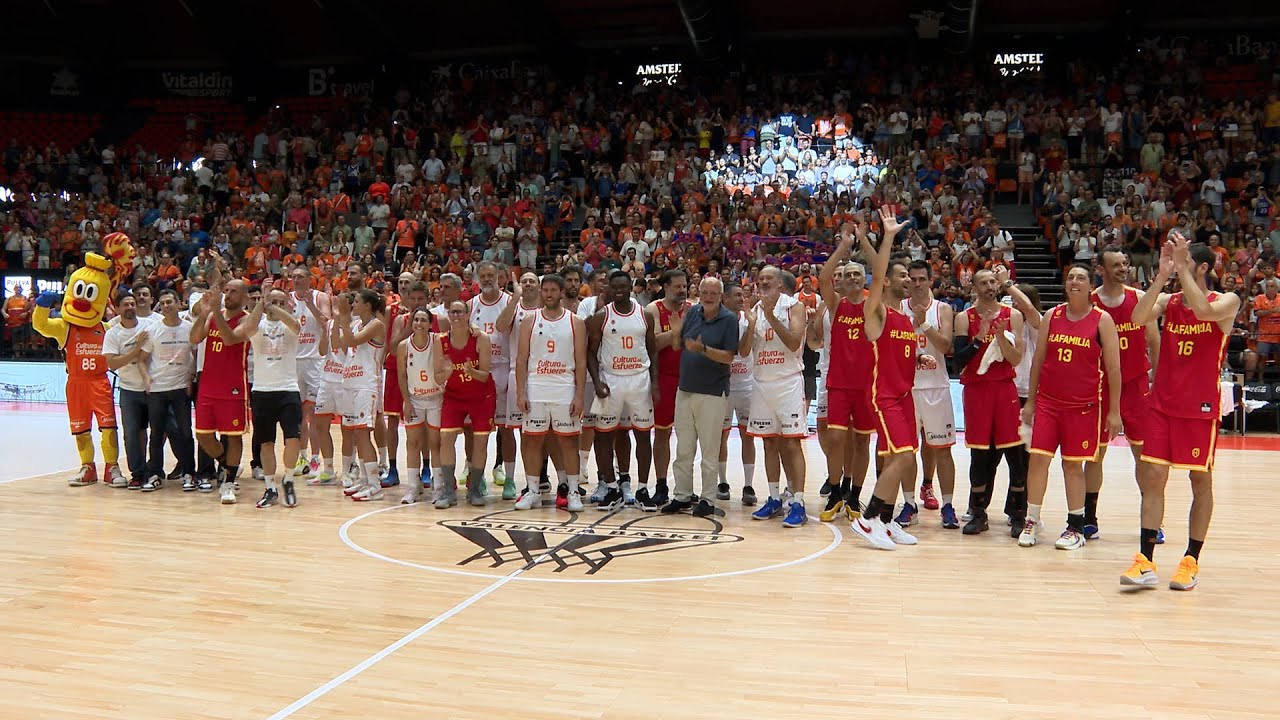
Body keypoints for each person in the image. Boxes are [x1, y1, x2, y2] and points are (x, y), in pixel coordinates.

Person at [1122, 234, 1239, 591]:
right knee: (1153, 477)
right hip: (1162, 404)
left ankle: (1190, 560)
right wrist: (1160, 276)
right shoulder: (1169, 300)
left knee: (1199, 480)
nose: (1178, 269)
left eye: (1185, 263)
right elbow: (1137, 317)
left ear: (1202, 267)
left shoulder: (1227, 301)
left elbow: (1203, 310)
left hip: (1199, 407)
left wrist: (1184, 268)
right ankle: (1145, 561)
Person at [1018, 264, 1123, 549]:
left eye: (1081, 278)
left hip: (1084, 406)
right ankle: (1032, 519)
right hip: (1049, 403)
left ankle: (1075, 526)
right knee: (1038, 460)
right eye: (1070, 278)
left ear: (1091, 287)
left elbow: (1113, 369)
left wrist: (1114, 411)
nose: (1074, 282)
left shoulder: (1102, 320)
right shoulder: (1053, 316)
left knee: (1072, 466)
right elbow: (1038, 360)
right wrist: (1030, 402)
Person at [849, 208, 924, 549]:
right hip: (885, 396)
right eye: (902, 275)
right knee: (904, 457)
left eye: (910, 275)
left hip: (905, 396)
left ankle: (887, 521)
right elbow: (875, 279)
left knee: (903, 459)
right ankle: (868, 519)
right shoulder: (876, 311)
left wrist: (915, 357)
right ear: (890, 281)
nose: (908, 279)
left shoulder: (905, 318)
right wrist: (887, 236)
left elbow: (899, 355)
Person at [1085, 246, 1161, 540]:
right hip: (1100, 387)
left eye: (1125, 263)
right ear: (1100, 269)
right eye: (1115, 264)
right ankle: (1089, 517)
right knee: (1094, 456)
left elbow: (1154, 341)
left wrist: (1159, 381)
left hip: (1136, 385)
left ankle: (1152, 520)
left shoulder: (1139, 299)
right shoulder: (1090, 303)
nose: (1122, 268)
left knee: (1143, 455)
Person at [952, 268, 1025, 534]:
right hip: (977, 391)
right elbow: (959, 360)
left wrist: (999, 339)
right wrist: (980, 337)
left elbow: (1016, 359)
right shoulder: (964, 317)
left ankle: (1018, 514)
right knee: (979, 455)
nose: (990, 286)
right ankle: (978, 512)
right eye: (984, 282)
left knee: (1015, 455)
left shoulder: (1013, 316)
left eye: (993, 281)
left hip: (1004, 390)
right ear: (974, 287)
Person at [661, 277, 740, 517]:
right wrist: (675, 332)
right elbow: (677, 346)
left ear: (721, 296)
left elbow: (729, 357)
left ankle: (708, 499)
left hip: (712, 393)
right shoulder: (693, 312)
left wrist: (703, 350)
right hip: (685, 389)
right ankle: (682, 496)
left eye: (712, 293)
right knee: (683, 449)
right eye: (704, 292)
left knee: (709, 451)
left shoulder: (728, 320)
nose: (707, 297)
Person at [741, 265, 810, 527]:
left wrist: (770, 317)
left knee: (791, 444)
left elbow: (793, 343)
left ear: (781, 284)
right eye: (761, 279)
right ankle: (773, 498)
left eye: (770, 279)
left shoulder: (794, 306)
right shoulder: (754, 310)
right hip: (761, 383)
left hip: (788, 382)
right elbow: (745, 351)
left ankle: (798, 501)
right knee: (768, 443)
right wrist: (749, 325)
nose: (764, 282)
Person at [513, 274, 587, 510]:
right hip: (536, 387)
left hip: (564, 387)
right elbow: (521, 359)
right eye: (546, 290)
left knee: (568, 443)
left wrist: (579, 396)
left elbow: (581, 361)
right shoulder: (529, 320)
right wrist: (520, 393)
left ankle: (573, 490)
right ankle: (533, 490)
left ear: (561, 292)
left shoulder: (575, 322)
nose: (549, 294)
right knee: (533, 442)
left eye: (554, 290)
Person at [587, 270, 657, 510]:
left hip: (639, 380)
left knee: (643, 435)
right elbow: (590, 352)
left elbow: (652, 350)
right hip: (612, 380)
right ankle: (612, 486)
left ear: (630, 288)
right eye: (614, 286)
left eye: (623, 287)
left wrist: (654, 382)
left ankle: (643, 489)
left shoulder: (645, 315)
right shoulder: (601, 316)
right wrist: (597, 381)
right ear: (607, 289)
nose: (618, 290)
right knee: (603, 434)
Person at [815, 237, 874, 523]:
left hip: (866, 385)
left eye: (857, 274)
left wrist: (865, 241)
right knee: (836, 438)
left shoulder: (874, 306)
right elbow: (824, 276)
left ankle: (854, 494)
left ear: (865, 281)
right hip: (838, 383)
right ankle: (836, 491)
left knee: (862, 444)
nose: (851, 278)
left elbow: (882, 268)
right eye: (848, 274)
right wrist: (843, 247)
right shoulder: (836, 305)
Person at [899, 260, 958, 528]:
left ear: (930, 280)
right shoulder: (898, 309)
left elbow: (946, 347)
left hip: (936, 387)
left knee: (942, 450)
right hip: (905, 388)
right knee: (907, 451)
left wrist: (924, 325)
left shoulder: (942, 309)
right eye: (913, 279)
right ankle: (909, 504)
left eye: (922, 278)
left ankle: (948, 505)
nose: (917, 284)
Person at [189, 278, 255, 504]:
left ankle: (228, 482)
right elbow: (194, 338)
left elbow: (229, 339)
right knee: (202, 434)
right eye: (226, 291)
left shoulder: (248, 320)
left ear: (245, 297)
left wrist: (215, 311)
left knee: (232, 436)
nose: (227, 295)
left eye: (233, 292)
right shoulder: (212, 315)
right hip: (208, 384)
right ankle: (228, 464)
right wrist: (204, 312)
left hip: (233, 385)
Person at [246, 286, 304, 508]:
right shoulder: (258, 324)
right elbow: (248, 328)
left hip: (288, 389)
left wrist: (273, 306)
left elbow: (295, 325)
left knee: (293, 439)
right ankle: (270, 487)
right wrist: (263, 303)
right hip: (262, 391)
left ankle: (288, 480)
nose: (276, 306)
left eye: (281, 302)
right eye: (273, 301)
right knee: (266, 443)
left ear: (287, 304)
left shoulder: (290, 324)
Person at [435, 300, 496, 507]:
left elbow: (485, 375)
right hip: (454, 396)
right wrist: (446, 373)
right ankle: (448, 491)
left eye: (460, 312)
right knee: (446, 438)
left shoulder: (481, 339)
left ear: (468, 314)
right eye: (452, 312)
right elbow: (436, 378)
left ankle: (475, 489)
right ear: (448, 314)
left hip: (481, 396)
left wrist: (470, 372)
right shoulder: (440, 341)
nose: (456, 316)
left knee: (480, 442)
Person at [469, 262, 519, 500]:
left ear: (500, 278)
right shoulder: (470, 305)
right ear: (477, 279)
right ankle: (477, 478)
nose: (487, 279)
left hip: (505, 370)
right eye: (483, 276)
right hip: (480, 373)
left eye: (491, 275)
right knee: (479, 432)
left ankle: (509, 479)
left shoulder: (511, 302)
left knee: (507, 430)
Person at [642, 269, 690, 509]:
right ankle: (661, 486)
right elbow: (652, 345)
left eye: (684, 286)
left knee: (689, 437)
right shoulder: (652, 310)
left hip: (690, 379)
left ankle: (686, 487)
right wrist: (675, 332)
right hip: (663, 378)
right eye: (677, 286)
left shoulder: (692, 309)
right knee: (662, 434)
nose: (682, 290)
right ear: (665, 287)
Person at [140, 288, 196, 491]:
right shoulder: (153, 330)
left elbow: (196, 354)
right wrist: (146, 379)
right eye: (162, 303)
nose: (166, 306)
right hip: (158, 388)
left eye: (169, 302)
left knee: (185, 432)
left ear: (178, 303)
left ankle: (190, 473)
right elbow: (142, 359)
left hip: (181, 387)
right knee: (156, 433)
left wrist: (191, 377)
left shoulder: (189, 328)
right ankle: (155, 474)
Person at [335, 289, 387, 502]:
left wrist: (345, 319)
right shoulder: (356, 324)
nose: (353, 304)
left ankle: (375, 485)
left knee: (364, 434)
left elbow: (353, 341)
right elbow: (341, 343)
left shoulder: (377, 324)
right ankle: (365, 480)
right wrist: (342, 319)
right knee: (356, 435)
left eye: (356, 301)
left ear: (367, 305)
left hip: (366, 385)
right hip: (350, 382)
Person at [102, 292, 152, 489]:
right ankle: (138, 473)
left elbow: (148, 355)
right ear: (118, 309)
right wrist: (136, 349)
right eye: (126, 304)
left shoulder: (148, 327)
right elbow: (112, 363)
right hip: (129, 390)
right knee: (131, 433)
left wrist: (131, 354)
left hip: (152, 388)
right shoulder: (113, 334)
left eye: (132, 304)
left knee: (161, 430)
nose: (130, 307)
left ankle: (155, 468)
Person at [397, 308, 444, 505]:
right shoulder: (403, 346)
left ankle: (439, 486)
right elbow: (402, 375)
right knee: (412, 443)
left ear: (430, 323)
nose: (419, 323)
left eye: (423, 320)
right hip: (414, 399)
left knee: (435, 444)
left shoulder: (438, 341)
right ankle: (413, 487)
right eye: (416, 319)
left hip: (436, 398)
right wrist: (406, 402)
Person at [289, 266, 332, 479]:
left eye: (300, 277)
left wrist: (309, 305)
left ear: (309, 279)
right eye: (293, 277)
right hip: (293, 361)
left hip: (316, 361)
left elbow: (327, 324)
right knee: (298, 415)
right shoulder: (287, 299)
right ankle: (302, 457)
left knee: (314, 415)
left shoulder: (320, 297)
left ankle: (316, 459)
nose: (296, 280)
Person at [719, 281, 757, 506]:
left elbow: (750, 350)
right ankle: (722, 482)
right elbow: (738, 350)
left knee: (747, 436)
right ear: (725, 298)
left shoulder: (751, 319)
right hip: (724, 385)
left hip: (747, 385)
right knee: (721, 436)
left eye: (743, 295)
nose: (741, 299)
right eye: (737, 295)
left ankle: (749, 484)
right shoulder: (719, 321)